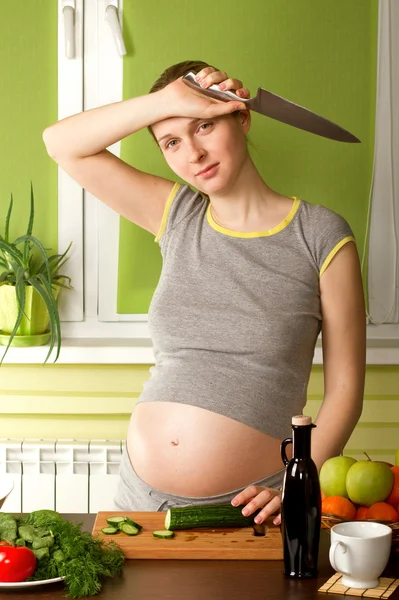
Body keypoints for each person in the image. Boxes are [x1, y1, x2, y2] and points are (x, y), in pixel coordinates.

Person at [43, 60, 366, 526]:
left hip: (251, 505)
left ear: (243, 116)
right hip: (137, 496)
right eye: (172, 142)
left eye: (205, 126)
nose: (193, 153)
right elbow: (61, 144)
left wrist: (304, 476)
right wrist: (168, 102)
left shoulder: (319, 234)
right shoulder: (177, 215)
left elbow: (345, 389)